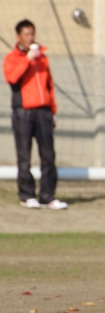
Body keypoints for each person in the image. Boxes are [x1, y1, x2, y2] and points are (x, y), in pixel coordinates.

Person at [3, 19, 67, 210]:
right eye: (26, 34)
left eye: (32, 33)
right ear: (18, 36)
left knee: (48, 155)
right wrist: (27, 60)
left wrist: (52, 110)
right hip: (23, 111)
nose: (30, 37)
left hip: (43, 111)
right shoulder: (12, 58)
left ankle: (48, 195)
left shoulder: (42, 58)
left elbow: (49, 85)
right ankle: (27, 195)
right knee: (24, 154)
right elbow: (12, 78)